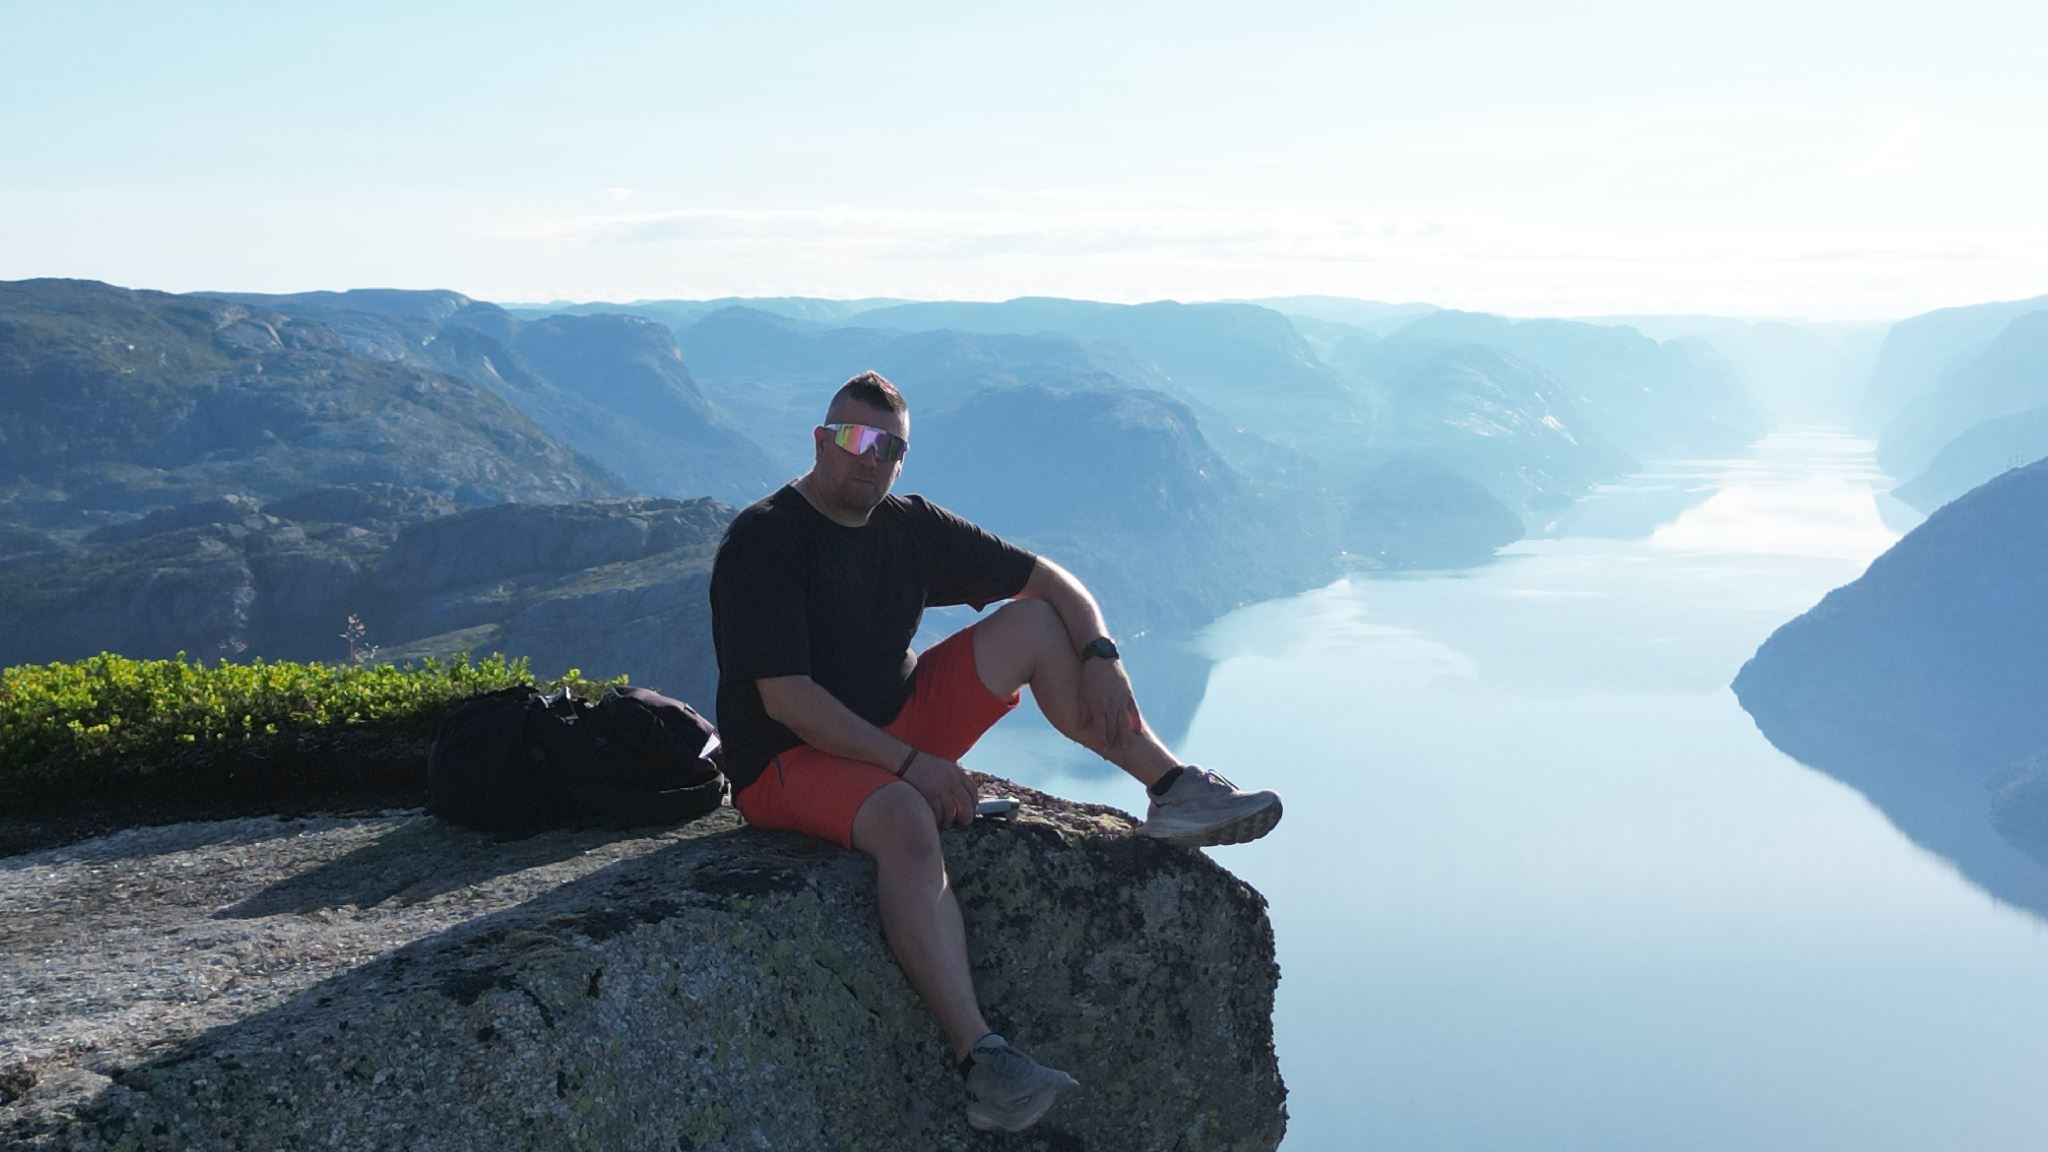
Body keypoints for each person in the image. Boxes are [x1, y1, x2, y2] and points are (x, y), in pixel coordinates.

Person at [708, 370, 1283, 1133]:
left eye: (890, 448)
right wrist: (910, 766)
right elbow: (788, 699)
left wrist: (1102, 653)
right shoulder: (768, 538)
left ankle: (1173, 788)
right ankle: (983, 1063)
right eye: (854, 438)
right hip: (786, 760)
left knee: (1039, 624)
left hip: (891, 726)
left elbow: (1051, 581)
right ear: (821, 441)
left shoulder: (909, 526)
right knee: (905, 818)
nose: (871, 458)